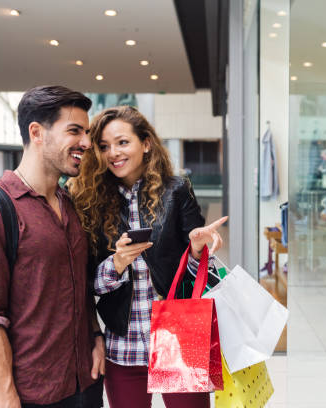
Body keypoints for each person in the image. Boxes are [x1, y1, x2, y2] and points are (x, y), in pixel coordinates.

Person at [0, 85, 105, 407]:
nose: (87, 143)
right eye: (75, 131)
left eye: (87, 132)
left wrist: (95, 334)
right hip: (30, 395)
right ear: (37, 132)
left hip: (84, 384)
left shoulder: (69, 203)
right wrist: (8, 401)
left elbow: (77, 284)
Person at [68, 106, 226, 408]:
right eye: (103, 146)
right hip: (122, 342)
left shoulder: (176, 190)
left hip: (177, 335)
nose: (113, 153)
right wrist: (117, 263)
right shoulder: (89, 198)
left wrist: (195, 248)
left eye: (122, 142)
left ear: (146, 143)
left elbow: (195, 276)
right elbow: (87, 282)